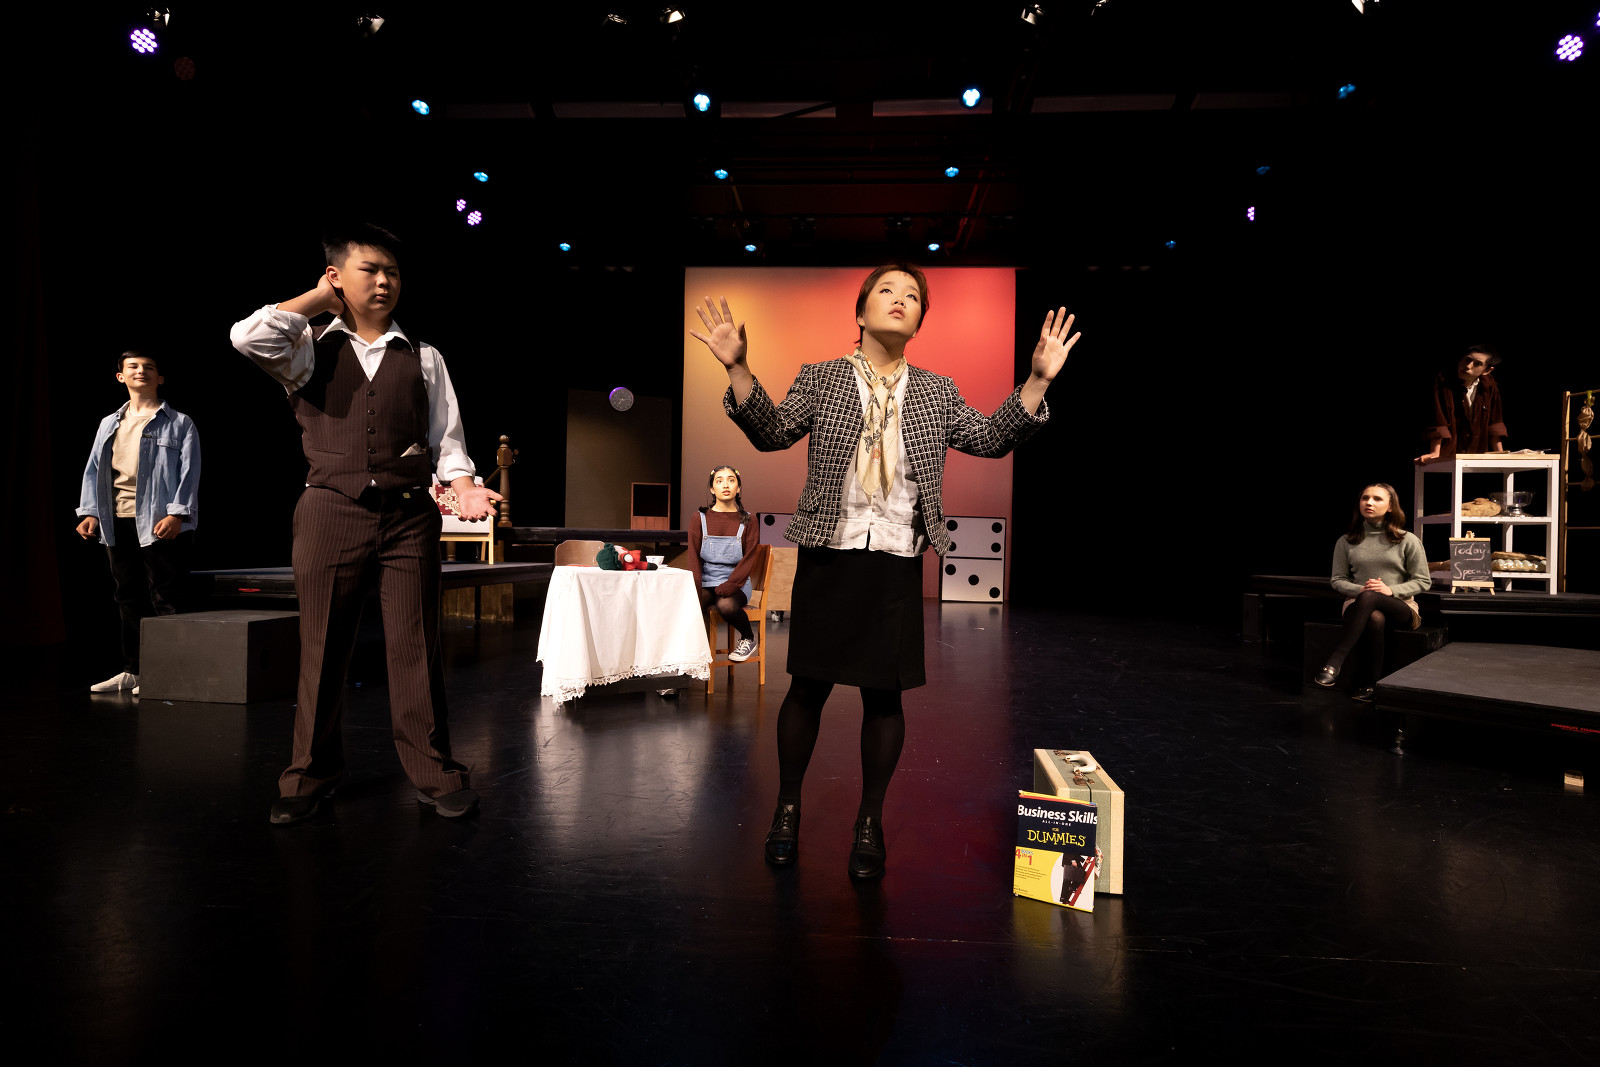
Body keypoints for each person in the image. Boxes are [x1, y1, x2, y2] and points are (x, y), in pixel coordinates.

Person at [690, 264, 1080, 879]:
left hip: (896, 556)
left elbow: (989, 438)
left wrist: (1036, 380)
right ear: (861, 310)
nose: (901, 300)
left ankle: (869, 820)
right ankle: (787, 808)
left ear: (920, 321)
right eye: (887, 291)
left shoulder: (936, 391)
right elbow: (771, 432)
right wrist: (737, 368)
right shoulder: (821, 378)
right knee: (807, 688)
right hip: (830, 552)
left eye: (913, 296)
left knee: (884, 697)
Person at [229, 223, 501, 825]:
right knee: (322, 646)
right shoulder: (306, 349)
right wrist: (316, 300)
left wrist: (462, 486)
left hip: (408, 516)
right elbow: (246, 337)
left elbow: (448, 439)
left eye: (392, 272)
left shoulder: (423, 356)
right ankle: (309, 775)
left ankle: (434, 772)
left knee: (416, 646)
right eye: (369, 270)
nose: (384, 282)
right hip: (330, 510)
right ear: (335, 277)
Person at [74, 350, 201, 695]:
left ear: (160, 378)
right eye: (133, 367)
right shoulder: (109, 423)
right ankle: (135, 671)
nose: (140, 371)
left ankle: (173, 673)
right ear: (121, 377)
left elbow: (190, 472)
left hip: (160, 522)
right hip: (117, 519)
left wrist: (178, 514)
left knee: (166, 597)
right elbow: (94, 469)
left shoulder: (179, 422)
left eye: (149, 367)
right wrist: (89, 511)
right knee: (127, 595)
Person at [1316, 482, 1431, 701]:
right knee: (1374, 615)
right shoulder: (1346, 541)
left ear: (1390, 506)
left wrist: (1390, 590)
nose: (1369, 502)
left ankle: (1335, 660)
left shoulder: (1407, 539)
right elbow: (1337, 580)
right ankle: (1371, 684)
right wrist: (1361, 589)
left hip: (1400, 605)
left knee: (1371, 598)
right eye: (1365, 498)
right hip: (1358, 604)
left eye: (1377, 499)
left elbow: (1423, 581)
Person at [688, 465, 762, 663]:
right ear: (712, 489)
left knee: (725, 604)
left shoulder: (749, 520)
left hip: (737, 583)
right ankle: (686, 659)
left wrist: (731, 584)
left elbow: (749, 559)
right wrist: (694, 589)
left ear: (738, 488)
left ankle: (748, 638)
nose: (725, 485)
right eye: (719, 481)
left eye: (731, 480)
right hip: (707, 580)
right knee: (688, 605)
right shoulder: (699, 518)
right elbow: (694, 557)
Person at [1416, 345, 1508, 464]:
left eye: (1477, 364)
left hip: (1475, 450)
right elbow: (1438, 418)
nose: (1468, 366)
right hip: (1449, 450)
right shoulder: (1443, 381)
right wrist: (1435, 452)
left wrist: (1500, 453)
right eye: (1467, 360)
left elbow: (1495, 422)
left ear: (1487, 370)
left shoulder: (1489, 386)